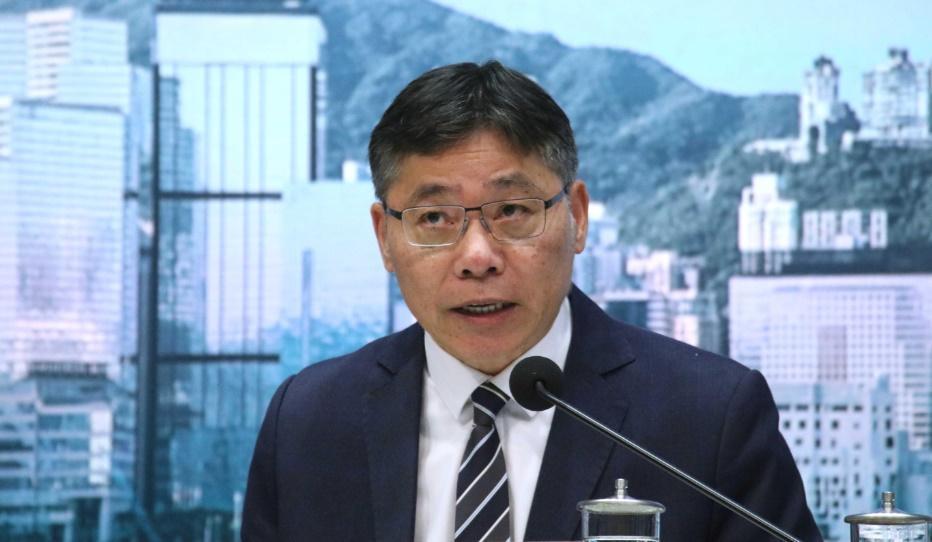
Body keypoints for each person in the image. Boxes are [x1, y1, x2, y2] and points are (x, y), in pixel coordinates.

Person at [242, 60, 822, 542]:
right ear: (384, 238)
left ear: (577, 217)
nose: (477, 256)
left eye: (513, 211)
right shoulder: (309, 421)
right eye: (435, 218)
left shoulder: (710, 417)